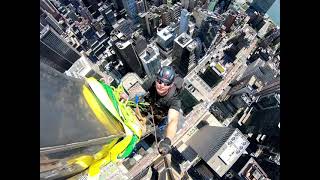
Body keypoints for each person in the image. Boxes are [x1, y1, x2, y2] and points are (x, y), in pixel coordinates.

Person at [143, 66, 184, 155]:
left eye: (166, 84)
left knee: (160, 128)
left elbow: (173, 120)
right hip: (151, 104)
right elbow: (139, 92)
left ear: (171, 84)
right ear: (156, 79)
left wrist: (167, 141)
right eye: (160, 81)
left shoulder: (174, 100)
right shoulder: (151, 82)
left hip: (162, 114)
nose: (161, 85)